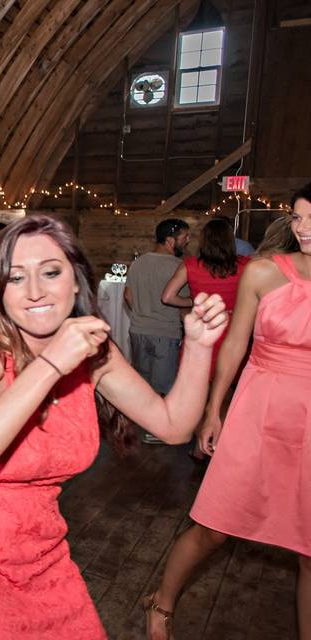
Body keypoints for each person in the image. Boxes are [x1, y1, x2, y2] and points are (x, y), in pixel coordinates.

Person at [0, 215, 227, 640]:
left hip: (42, 547)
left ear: (77, 282)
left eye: (50, 272)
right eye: (17, 277)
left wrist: (198, 347)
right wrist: (49, 365)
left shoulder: (93, 353)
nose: (36, 291)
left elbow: (172, 426)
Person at [144, 184, 311, 640]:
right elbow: (236, 343)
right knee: (215, 525)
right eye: (297, 218)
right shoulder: (261, 272)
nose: (303, 228)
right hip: (260, 406)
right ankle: (161, 604)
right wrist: (214, 410)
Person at [125, 218, 190, 443]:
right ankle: (158, 431)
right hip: (165, 332)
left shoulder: (138, 263)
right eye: (185, 237)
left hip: (138, 330)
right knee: (164, 385)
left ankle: (140, 424)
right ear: (170, 240)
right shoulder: (178, 268)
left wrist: (143, 313)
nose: (188, 241)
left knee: (143, 382)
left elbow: (127, 296)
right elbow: (181, 304)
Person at [161, 217, 249, 379]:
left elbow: (167, 297)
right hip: (233, 332)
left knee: (197, 386)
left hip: (202, 330)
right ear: (231, 240)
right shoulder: (246, 265)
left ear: (204, 240)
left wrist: (191, 301)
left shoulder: (190, 265)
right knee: (228, 386)